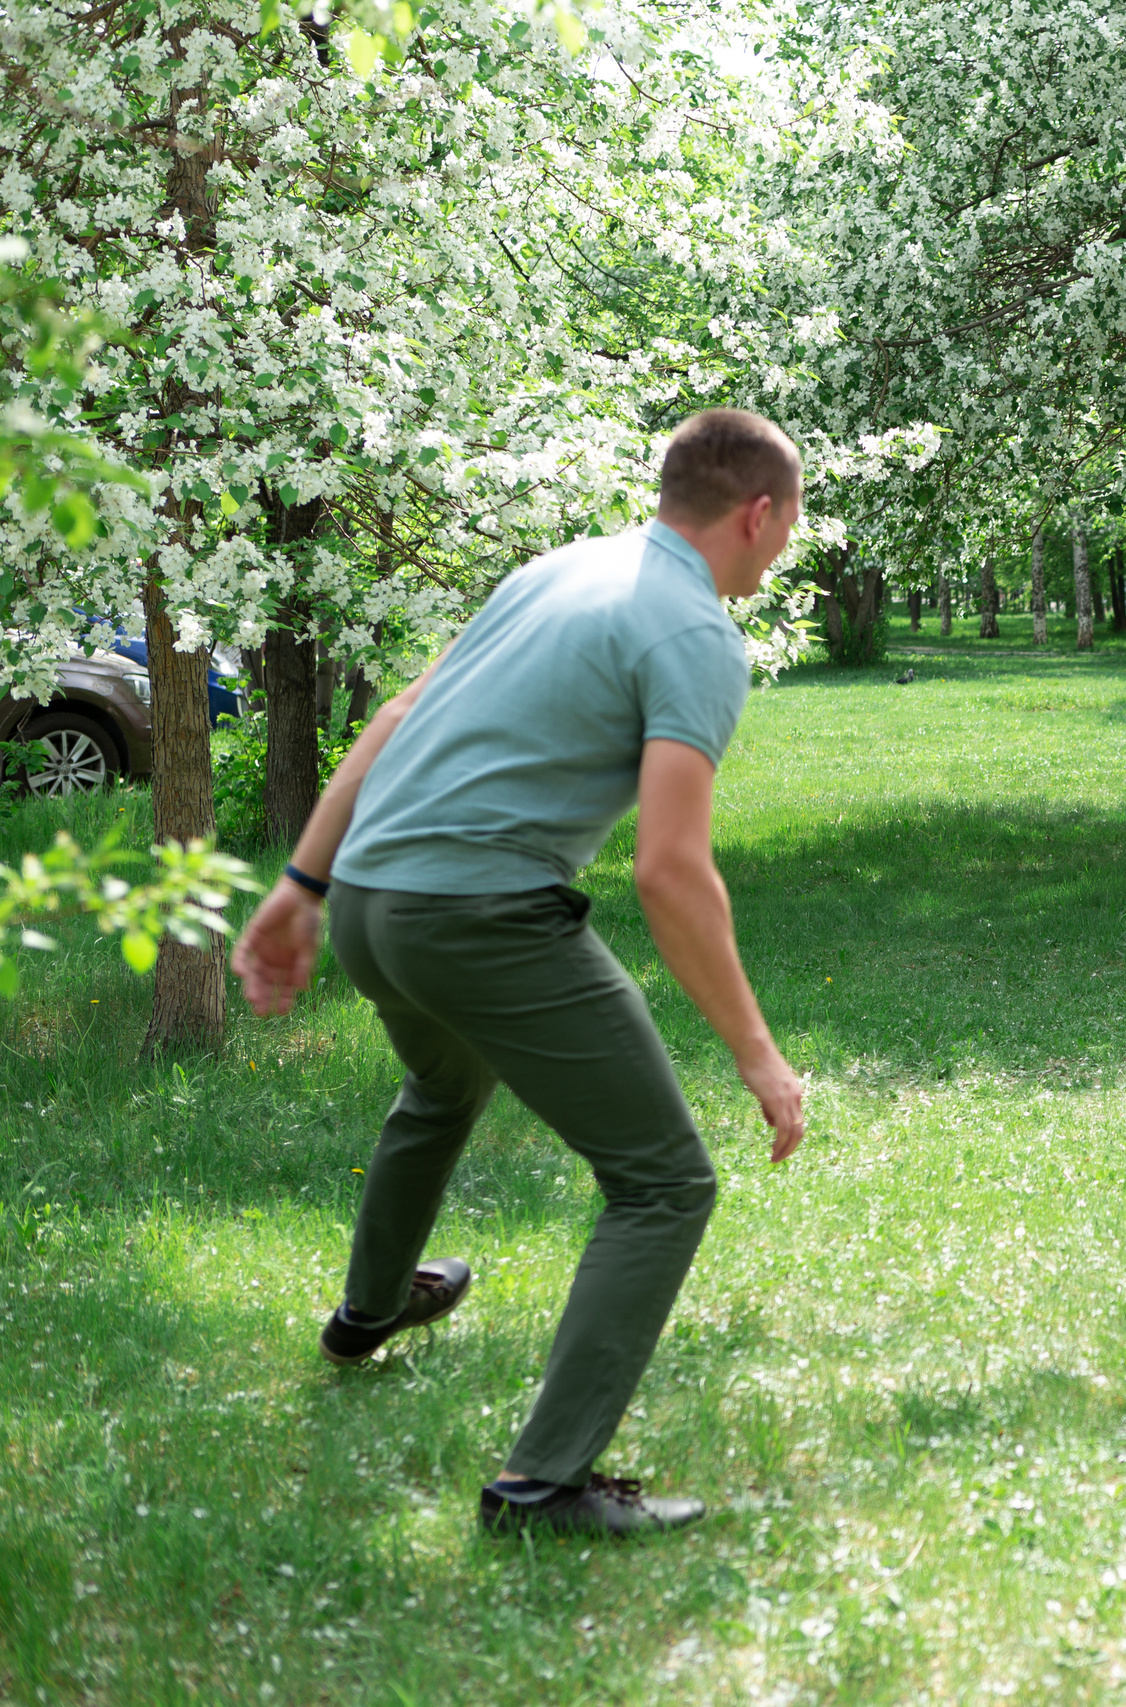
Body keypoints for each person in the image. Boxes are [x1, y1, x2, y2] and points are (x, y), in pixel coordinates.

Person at [229, 409, 811, 1539]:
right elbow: (671, 871)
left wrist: (303, 884)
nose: (783, 544)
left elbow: (398, 715)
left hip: (373, 903)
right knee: (664, 1184)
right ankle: (543, 1484)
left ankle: (370, 1310)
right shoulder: (695, 632)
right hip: (478, 915)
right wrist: (758, 1054)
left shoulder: (559, 569)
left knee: (443, 1086)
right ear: (758, 515)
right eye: (788, 524)